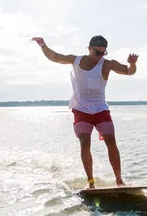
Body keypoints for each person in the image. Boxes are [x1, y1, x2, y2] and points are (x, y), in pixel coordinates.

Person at [31, 35, 139, 188]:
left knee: (111, 141)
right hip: (81, 109)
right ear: (89, 49)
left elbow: (129, 71)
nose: (100, 56)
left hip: (100, 109)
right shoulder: (76, 60)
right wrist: (43, 45)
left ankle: (119, 180)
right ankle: (91, 182)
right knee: (85, 143)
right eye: (97, 52)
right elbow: (54, 57)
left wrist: (133, 64)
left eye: (103, 53)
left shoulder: (107, 64)